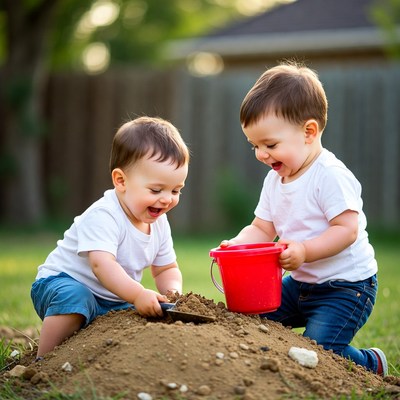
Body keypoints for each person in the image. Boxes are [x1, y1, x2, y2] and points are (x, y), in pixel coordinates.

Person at [219, 61, 388, 376]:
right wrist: (238, 245)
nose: (261, 154)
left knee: (317, 350)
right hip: (298, 284)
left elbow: (347, 230)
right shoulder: (275, 180)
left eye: (270, 144)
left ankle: (370, 362)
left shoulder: (330, 176)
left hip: (346, 288)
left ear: (309, 132)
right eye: (254, 145)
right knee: (252, 321)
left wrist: (306, 251)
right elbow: (262, 227)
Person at [31, 116, 190, 358]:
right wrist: (137, 294)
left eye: (176, 190)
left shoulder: (159, 223)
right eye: (156, 190)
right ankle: (44, 362)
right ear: (121, 180)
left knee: (141, 315)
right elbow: (101, 265)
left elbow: (166, 267)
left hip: (112, 298)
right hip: (61, 284)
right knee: (77, 297)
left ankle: (98, 361)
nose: (167, 198)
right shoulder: (104, 215)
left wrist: (172, 294)